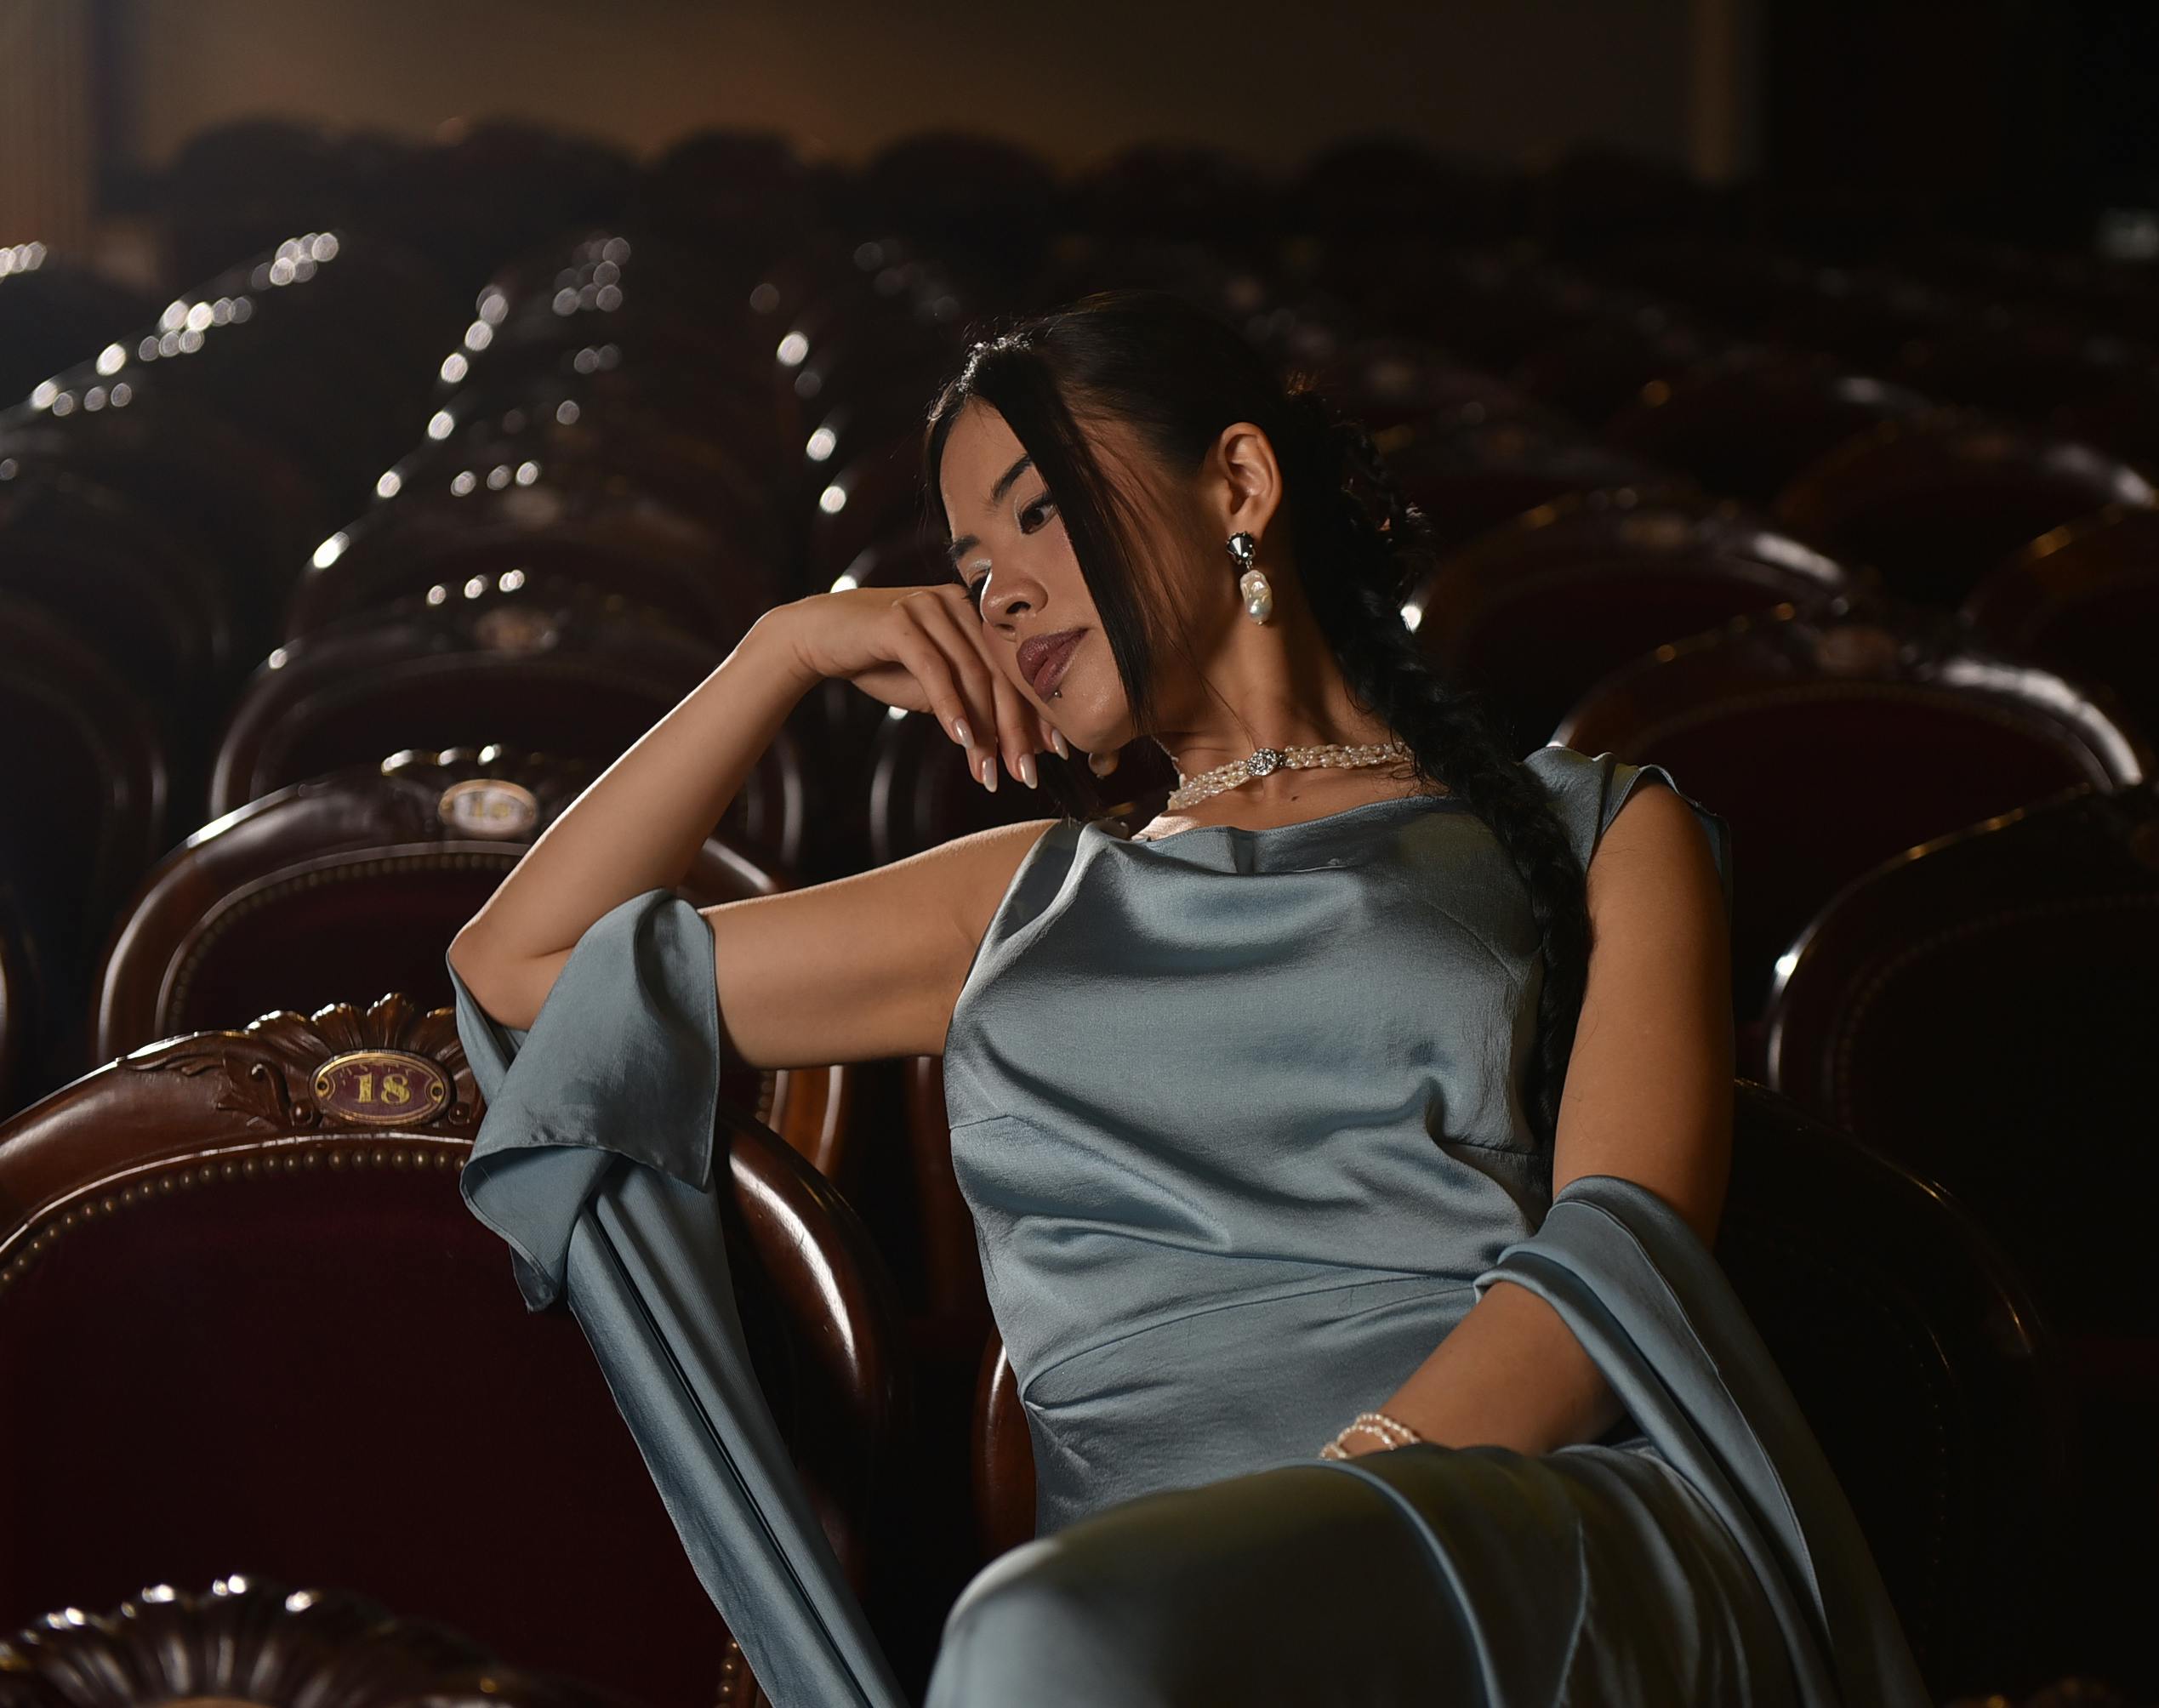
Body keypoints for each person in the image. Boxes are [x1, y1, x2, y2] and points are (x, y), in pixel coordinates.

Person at [447, 288, 1928, 1706]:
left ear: (1236, 482)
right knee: (1050, 1634)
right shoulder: (1014, 897)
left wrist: (1341, 1507)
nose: (1000, 584)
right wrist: (784, 646)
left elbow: (1628, 1241)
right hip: (1127, 1604)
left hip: (1498, 1522)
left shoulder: (1601, 826)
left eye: (1039, 510)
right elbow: (517, 973)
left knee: (1037, 1636)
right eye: (970, 562)